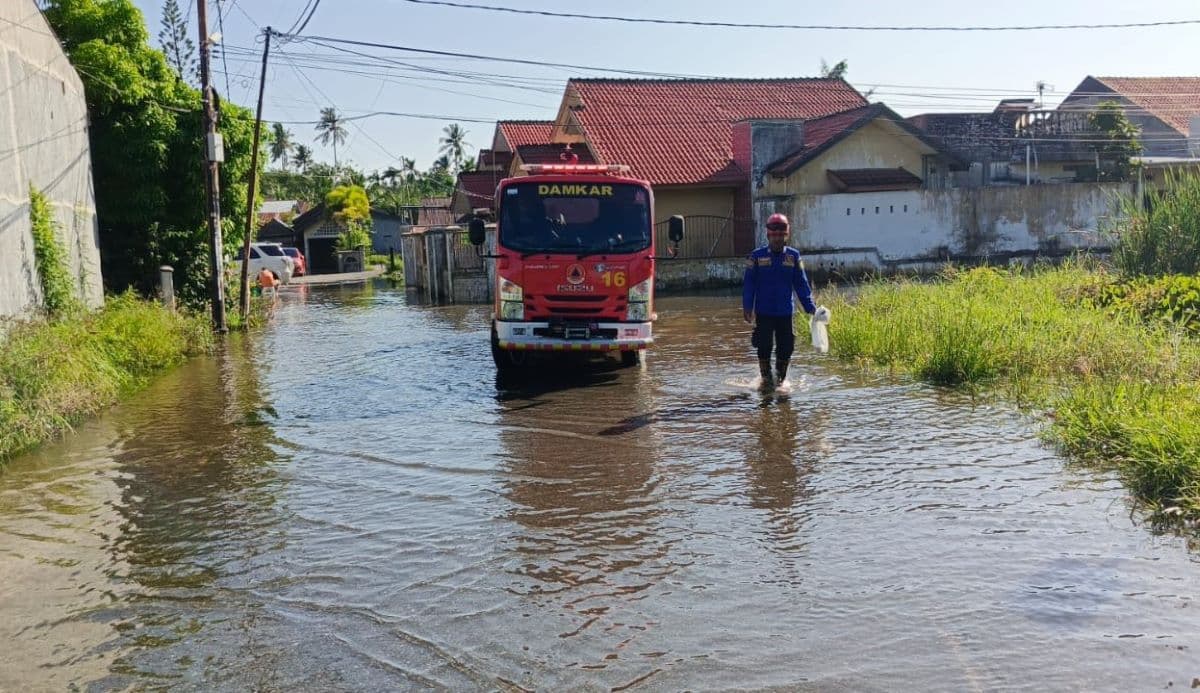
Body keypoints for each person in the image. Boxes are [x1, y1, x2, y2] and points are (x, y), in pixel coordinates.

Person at [742, 213, 816, 387]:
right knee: (763, 346)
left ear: (786, 235)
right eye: (774, 236)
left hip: (785, 313)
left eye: (781, 236)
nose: (777, 240)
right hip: (764, 312)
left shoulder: (793, 256)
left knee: (786, 347)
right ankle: (766, 381)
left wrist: (810, 307)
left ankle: (780, 381)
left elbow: (801, 283)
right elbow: (749, 284)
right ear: (768, 235)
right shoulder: (756, 256)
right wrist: (747, 307)